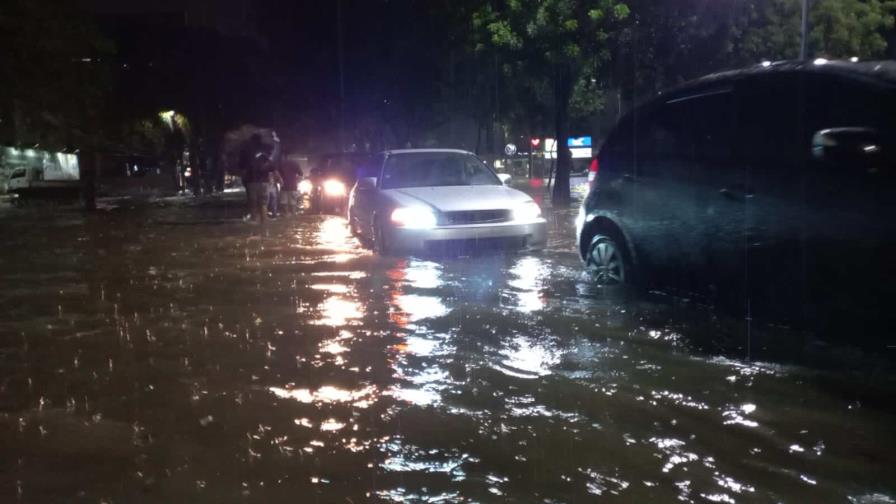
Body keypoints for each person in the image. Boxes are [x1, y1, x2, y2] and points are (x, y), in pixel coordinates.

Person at [239, 134, 273, 223]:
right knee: (264, 203)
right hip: (264, 182)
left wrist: (244, 180)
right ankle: (264, 224)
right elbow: (271, 168)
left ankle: (254, 223)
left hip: (251, 182)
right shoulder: (265, 154)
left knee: (253, 204)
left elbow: (241, 168)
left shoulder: (245, 152)